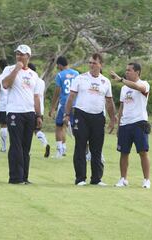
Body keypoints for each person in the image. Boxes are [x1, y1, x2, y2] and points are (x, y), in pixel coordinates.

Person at [64, 53, 116, 186]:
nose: (91, 65)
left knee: (97, 148)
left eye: (94, 63)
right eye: (90, 62)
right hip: (81, 115)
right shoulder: (80, 78)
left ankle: (96, 179)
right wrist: (67, 114)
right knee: (80, 146)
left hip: (98, 117)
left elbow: (109, 102)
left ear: (101, 65)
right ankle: (80, 178)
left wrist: (112, 118)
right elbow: (71, 97)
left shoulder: (105, 81)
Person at [0, 44, 42, 185]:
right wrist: (16, 69)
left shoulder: (33, 75)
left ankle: (24, 177)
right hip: (14, 112)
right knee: (16, 145)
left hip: (29, 113)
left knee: (26, 146)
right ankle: (15, 178)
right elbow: (5, 84)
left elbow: (36, 97)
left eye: (22, 54)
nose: (19, 56)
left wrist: (38, 115)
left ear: (28, 56)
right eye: (17, 54)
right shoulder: (9, 69)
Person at [110, 63, 151, 189]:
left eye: (129, 70)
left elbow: (139, 88)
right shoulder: (124, 88)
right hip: (125, 124)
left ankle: (146, 180)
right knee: (124, 152)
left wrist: (121, 80)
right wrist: (118, 125)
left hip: (139, 123)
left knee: (143, 152)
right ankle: (123, 179)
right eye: (126, 70)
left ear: (137, 72)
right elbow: (122, 107)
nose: (126, 72)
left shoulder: (144, 84)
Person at [49, 56, 79, 158]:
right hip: (75, 104)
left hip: (64, 104)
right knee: (77, 129)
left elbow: (57, 92)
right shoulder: (76, 74)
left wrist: (52, 107)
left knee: (59, 126)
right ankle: (85, 151)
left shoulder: (60, 75)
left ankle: (59, 151)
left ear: (60, 65)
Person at [28, 62, 50, 158]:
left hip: (31, 108)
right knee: (37, 130)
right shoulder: (42, 82)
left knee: (27, 132)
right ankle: (45, 143)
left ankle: (27, 151)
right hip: (40, 109)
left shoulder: (30, 80)